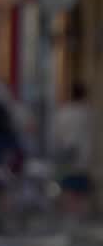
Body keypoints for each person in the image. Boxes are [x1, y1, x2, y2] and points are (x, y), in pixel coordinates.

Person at [51, 82, 93, 222]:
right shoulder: (88, 112)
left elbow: (57, 134)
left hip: (67, 155)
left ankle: (70, 216)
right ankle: (80, 216)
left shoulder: (64, 112)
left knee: (68, 186)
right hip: (83, 157)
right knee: (81, 189)